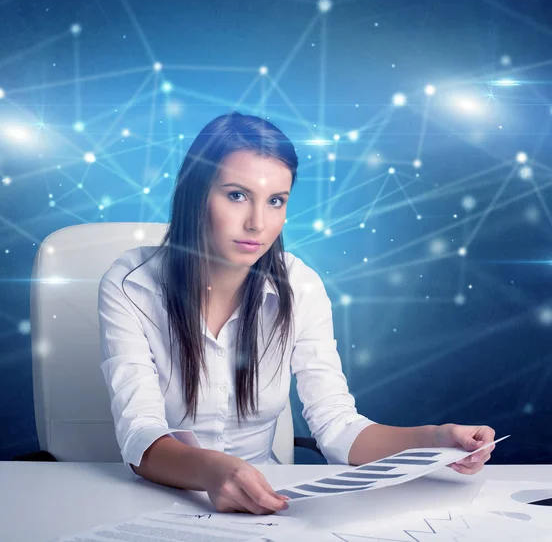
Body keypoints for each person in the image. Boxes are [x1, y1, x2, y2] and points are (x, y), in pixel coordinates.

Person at [98, 111, 496, 515]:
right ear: (195, 194)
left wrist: (436, 438)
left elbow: (337, 426)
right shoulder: (132, 284)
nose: (257, 223)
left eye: (275, 201)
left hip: (268, 507)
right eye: (236, 195)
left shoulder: (299, 286)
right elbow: (140, 433)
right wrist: (212, 472)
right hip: (157, 502)